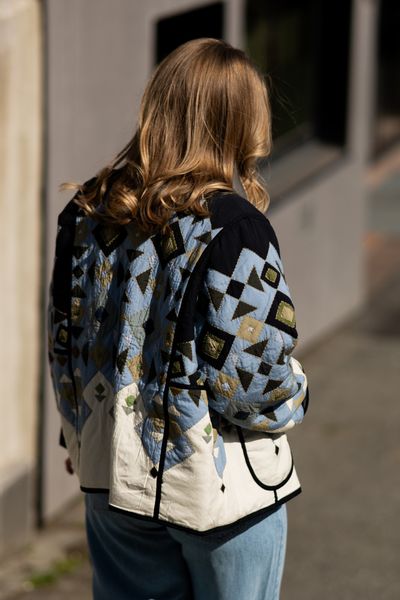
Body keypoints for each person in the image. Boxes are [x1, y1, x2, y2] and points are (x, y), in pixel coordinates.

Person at [47, 37, 309, 600]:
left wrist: (78, 435)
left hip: (112, 482)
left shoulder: (87, 212)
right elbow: (251, 385)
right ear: (241, 123)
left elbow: (64, 346)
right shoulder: (235, 230)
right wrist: (298, 394)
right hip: (218, 495)